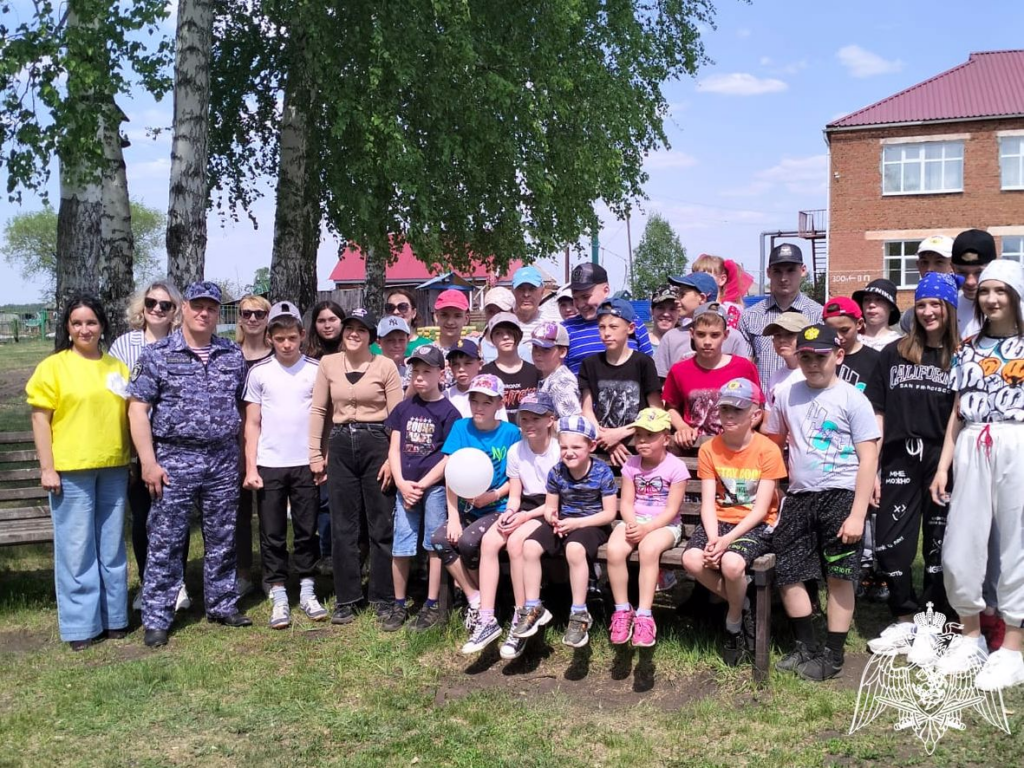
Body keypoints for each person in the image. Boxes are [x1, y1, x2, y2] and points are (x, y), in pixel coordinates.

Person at [128, 281, 252, 648]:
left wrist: (243, 458)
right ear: (184, 309)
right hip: (174, 458)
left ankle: (221, 603)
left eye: (211, 308)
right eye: (197, 306)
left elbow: (244, 409)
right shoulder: (158, 354)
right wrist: (148, 462)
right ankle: (157, 615)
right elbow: (137, 410)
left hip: (221, 457)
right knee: (166, 539)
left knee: (222, 536)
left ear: (218, 314)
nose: (204, 313)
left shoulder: (231, 354)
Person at [766, 324, 880, 681]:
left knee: (838, 576)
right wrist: (775, 486)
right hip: (800, 497)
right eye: (805, 356)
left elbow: (869, 459)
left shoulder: (852, 398)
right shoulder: (787, 393)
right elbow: (773, 440)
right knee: (789, 570)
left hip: (841, 496)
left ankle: (832, 654)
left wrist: (857, 514)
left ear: (839, 356)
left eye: (821, 356)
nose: (813, 363)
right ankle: (806, 646)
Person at [930, 260, 1024, 691]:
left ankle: (1013, 647)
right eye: (985, 291)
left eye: (1001, 291)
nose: (991, 299)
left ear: (1016, 295)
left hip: (1016, 442)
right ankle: (971, 637)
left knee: (1015, 544)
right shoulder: (967, 348)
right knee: (960, 544)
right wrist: (943, 466)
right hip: (971, 442)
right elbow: (955, 413)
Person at [27, 295, 131, 651]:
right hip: (71, 470)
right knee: (77, 550)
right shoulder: (53, 367)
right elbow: (40, 419)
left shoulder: (117, 368)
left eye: (91, 322)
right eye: (77, 323)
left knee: (112, 548)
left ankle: (115, 618)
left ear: (102, 326)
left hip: (114, 467)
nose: (85, 329)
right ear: (68, 329)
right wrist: (47, 468)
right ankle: (81, 626)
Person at [864, 273, 958, 659]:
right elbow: (878, 414)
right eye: (921, 304)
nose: (928, 311)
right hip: (899, 455)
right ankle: (904, 618)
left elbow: (959, 415)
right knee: (891, 541)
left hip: (942, 458)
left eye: (936, 304)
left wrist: (943, 469)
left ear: (949, 308)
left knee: (938, 546)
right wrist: (873, 470)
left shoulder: (961, 356)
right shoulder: (894, 352)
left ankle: (933, 623)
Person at [309, 307, 403, 625]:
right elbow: (319, 411)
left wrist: (393, 459)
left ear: (371, 337)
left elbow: (398, 419)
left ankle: (382, 595)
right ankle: (347, 597)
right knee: (343, 525)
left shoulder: (385, 365)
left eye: (361, 330)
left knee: (380, 524)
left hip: (376, 442)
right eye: (349, 327)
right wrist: (315, 455)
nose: (353, 333)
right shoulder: (328, 364)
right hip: (339, 445)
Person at [683, 379, 786, 666]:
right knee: (692, 559)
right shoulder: (709, 449)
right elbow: (707, 502)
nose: (728, 417)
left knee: (731, 563)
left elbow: (762, 508)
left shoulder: (767, 450)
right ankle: (744, 600)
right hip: (719, 522)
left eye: (736, 411)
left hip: (755, 525)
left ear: (755, 416)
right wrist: (715, 537)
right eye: (724, 410)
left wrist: (726, 541)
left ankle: (733, 618)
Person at [242, 301, 328, 629]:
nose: (287, 344)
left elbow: (326, 417)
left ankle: (306, 588)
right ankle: (278, 590)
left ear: (302, 337)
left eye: (292, 338)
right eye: (280, 339)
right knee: (272, 531)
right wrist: (251, 467)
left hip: (306, 462)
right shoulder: (260, 373)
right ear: (270, 340)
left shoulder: (315, 371)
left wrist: (323, 455)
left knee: (307, 528)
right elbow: (252, 423)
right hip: (270, 463)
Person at [109, 280, 191, 614]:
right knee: (144, 517)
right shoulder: (124, 346)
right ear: (141, 307)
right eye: (152, 302)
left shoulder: (182, 344)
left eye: (165, 305)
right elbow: (116, 400)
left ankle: (178, 580)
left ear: (175, 312)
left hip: (174, 446)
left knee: (176, 517)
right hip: (136, 446)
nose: (157, 309)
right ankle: (148, 582)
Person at [463, 392, 560, 657]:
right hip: (526, 506)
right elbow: (516, 495)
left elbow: (556, 502)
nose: (529, 424)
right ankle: (486, 619)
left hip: (551, 508)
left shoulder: (558, 450)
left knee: (517, 542)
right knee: (490, 541)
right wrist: (510, 512)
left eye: (536, 418)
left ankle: (522, 617)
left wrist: (524, 517)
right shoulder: (517, 450)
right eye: (525, 418)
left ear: (550, 420)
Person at [513, 416, 617, 648]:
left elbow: (609, 514)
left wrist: (576, 524)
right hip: (563, 522)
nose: (569, 452)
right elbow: (551, 506)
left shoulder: (601, 472)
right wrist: (552, 517)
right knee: (529, 546)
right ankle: (533, 607)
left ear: (591, 446)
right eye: (564, 447)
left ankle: (579, 613)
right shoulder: (557, 472)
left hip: (592, 524)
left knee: (574, 548)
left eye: (576, 447)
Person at [431, 375, 521, 636]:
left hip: (498, 507)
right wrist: (454, 517)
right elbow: (452, 474)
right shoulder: (461, 428)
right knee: (440, 539)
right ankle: (475, 598)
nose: (479, 407)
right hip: (467, 509)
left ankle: (490, 606)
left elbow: (516, 478)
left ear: (499, 404)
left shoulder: (510, 433)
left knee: (469, 542)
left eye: (486, 402)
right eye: (474, 401)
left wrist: (492, 496)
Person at [382, 345, 461, 632]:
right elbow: (394, 449)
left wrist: (424, 484)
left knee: (433, 545)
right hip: (406, 487)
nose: (419, 377)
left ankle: (430, 604)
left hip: (435, 488)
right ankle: (399, 603)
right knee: (401, 544)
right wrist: (402, 484)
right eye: (415, 371)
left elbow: (448, 456)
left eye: (426, 371)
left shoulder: (449, 413)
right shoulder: (404, 408)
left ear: (442, 374)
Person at [605, 408, 689, 648]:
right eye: (639, 435)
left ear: (666, 438)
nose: (642, 441)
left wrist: (648, 528)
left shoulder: (676, 467)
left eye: (649, 435)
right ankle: (622, 610)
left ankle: (644, 614)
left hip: (665, 525)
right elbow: (627, 503)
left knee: (649, 549)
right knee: (614, 549)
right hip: (636, 520)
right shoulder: (631, 465)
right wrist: (631, 524)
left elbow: (672, 510)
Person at [663, 303, 760, 447]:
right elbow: (670, 407)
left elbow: (758, 408)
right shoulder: (679, 370)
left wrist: (739, 430)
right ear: (692, 333)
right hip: (693, 448)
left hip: (733, 448)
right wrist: (682, 427)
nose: (707, 342)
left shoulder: (744, 368)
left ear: (726, 335)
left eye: (715, 335)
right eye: (701, 334)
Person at [578, 298, 662, 465]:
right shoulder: (589, 364)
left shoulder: (643, 363)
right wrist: (605, 438)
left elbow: (656, 410)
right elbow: (587, 410)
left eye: (613, 327)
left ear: (630, 328)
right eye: (602, 327)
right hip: (601, 449)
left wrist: (619, 434)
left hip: (638, 446)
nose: (606, 333)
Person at [739, 243, 824, 386]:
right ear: (768, 273)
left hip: (805, 402)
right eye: (777, 271)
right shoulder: (750, 316)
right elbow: (744, 367)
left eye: (791, 270)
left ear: (803, 270)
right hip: (765, 404)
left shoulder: (818, 315)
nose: (784, 278)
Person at [235, 294, 274, 597]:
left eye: (259, 314)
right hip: (233, 445)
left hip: (271, 443)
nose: (252, 319)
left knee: (270, 512)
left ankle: (272, 572)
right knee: (238, 513)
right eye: (247, 313)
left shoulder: (278, 355)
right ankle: (242, 571)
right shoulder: (228, 354)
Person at [303, 299, 346, 570]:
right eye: (321, 320)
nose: (327, 325)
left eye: (332, 319)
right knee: (319, 498)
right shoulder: (307, 357)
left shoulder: (351, 353)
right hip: (314, 433)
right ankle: (321, 553)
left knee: (338, 499)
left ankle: (339, 552)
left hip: (341, 435)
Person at [563, 263, 653, 374]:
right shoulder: (565, 330)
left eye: (585, 297)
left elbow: (649, 370)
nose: (581, 304)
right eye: (575, 298)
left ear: (606, 291)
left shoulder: (631, 321)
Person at [654, 272, 749, 379]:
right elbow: (661, 381)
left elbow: (743, 379)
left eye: (682, 295)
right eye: (700, 334)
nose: (677, 301)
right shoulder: (671, 338)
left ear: (702, 298)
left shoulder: (733, 337)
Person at [481, 311, 539, 422]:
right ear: (492, 340)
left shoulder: (535, 371)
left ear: (519, 335)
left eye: (510, 332)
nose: (506, 337)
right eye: (498, 333)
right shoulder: (485, 374)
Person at [898, 235, 954, 335]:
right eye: (924, 262)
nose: (929, 269)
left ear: (953, 265)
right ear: (918, 265)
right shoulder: (909, 317)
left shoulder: (969, 307)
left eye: (939, 262)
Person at [823, 297, 880, 394]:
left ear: (859, 324)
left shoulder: (876, 360)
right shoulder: (820, 357)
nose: (838, 336)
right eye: (832, 331)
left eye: (844, 330)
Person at [443, 339, 508, 420]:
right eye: (456, 364)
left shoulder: (491, 393)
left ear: (480, 364)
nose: (461, 369)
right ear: (450, 367)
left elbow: (502, 425)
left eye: (467, 363)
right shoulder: (445, 396)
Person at [760, 312, 810, 414]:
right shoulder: (775, 378)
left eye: (790, 334)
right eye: (777, 335)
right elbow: (768, 423)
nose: (782, 340)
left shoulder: (814, 374)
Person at [529, 321, 582, 418]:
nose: (538, 353)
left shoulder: (561, 381)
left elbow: (572, 422)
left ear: (562, 352)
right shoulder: (549, 377)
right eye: (535, 347)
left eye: (546, 349)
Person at [952, 229, 998, 339]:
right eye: (962, 272)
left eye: (979, 272)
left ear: (995, 267)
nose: (970, 282)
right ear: (952, 268)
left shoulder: (1016, 309)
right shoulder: (948, 308)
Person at [691, 254, 753, 329]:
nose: (697, 281)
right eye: (695, 276)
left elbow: (729, 337)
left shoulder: (730, 310)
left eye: (705, 276)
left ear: (722, 279)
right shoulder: (694, 306)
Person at [512, 265, 560, 355]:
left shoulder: (554, 324)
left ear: (542, 291)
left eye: (532, 289)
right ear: (513, 292)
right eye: (521, 289)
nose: (526, 294)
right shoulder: (502, 325)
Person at [371, 287, 431, 357]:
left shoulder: (427, 346)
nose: (396, 312)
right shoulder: (373, 347)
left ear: (414, 313)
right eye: (390, 307)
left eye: (403, 307)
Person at [852, 279, 901, 351]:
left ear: (891, 306)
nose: (871, 305)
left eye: (879, 299)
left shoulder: (900, 344)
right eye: (866, 299)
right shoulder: (852, 341)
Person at [479, 287, 516, 363]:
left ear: (512, 312)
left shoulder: (521, 349)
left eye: (501, 311)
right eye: (491, 311)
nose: (496, 317)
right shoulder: (473, 344)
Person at [377, 316, 411, 380]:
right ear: (379, 342)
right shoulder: (371, 373)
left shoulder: (411, 375)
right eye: (390, 340)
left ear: (408, 341)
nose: (397, 345)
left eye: (401, 340)